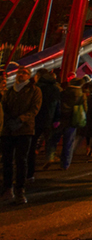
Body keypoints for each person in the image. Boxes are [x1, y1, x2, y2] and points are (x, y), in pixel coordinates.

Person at [1, 65, 42, 205]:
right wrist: (9, 121)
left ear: (29, 76)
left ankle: (20, 190)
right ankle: (7, 188)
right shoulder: (10, 91)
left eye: (24, 73)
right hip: (8, 130)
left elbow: (34, 109)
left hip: (25, 130)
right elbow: (4, 107)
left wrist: (20, 120)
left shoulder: (35, 91)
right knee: (7, 161)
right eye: (20, 72)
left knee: (21, 161)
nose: (21, 75)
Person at [29, 69, 60, 177]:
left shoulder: (37, 88)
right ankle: (50, 157)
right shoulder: (55, 88)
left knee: (32, 142)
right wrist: (56, 119)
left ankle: (30, 167)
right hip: (50, 119)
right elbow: (57, 105)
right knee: (50, 140)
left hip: (36, 118)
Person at [57, 77, 87, 170]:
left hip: (61, 119)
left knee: (54, 139)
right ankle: (65, 164)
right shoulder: (82, 95)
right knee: (68, 142)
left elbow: (58, 105)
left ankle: (51, 155)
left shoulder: (63, 93)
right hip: (73, 120)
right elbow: (85, 109)